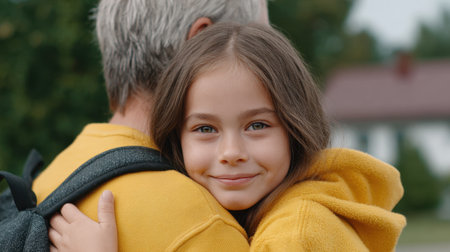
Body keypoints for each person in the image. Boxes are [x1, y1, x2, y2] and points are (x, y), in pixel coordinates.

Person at [49, 23, 406, 252]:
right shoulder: (281, 213)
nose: (232, 152)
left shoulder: (297, 235)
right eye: (205, 129)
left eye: (257, 126)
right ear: (176, 137)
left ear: (296, 129)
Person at [33, 1, 270, 251]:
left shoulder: (52, 175)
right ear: (202, 42)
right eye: (260, 42)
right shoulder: (202, 228)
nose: (272, 63)